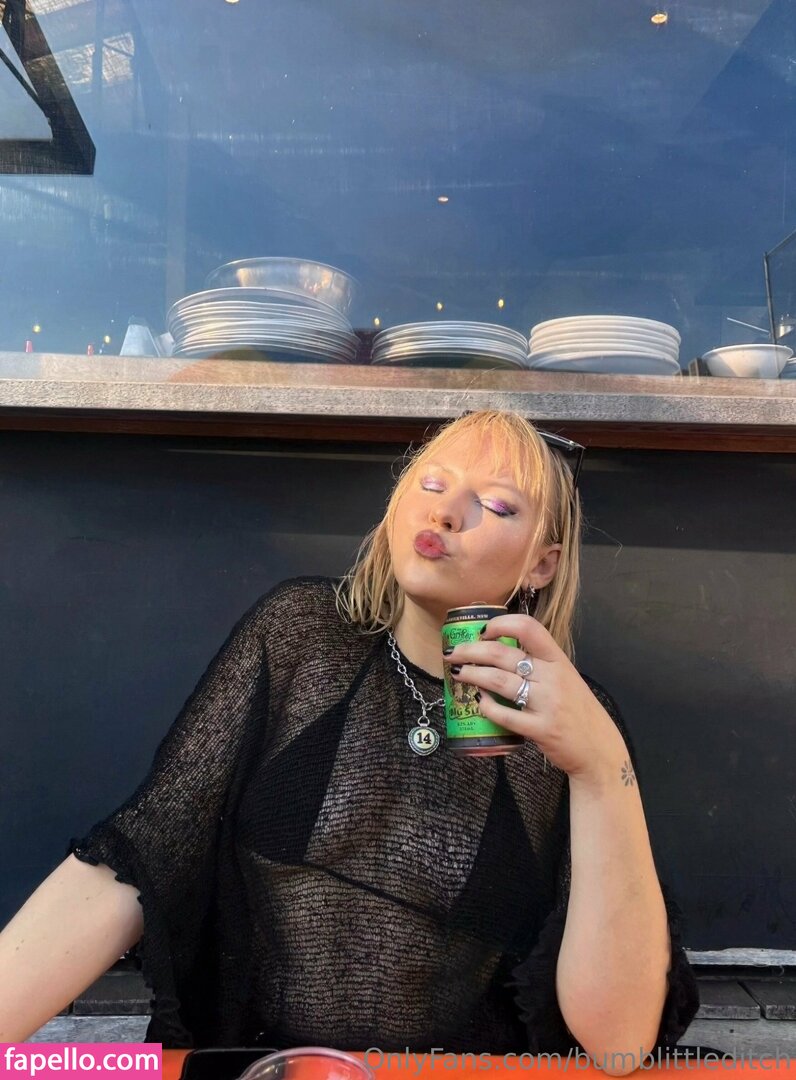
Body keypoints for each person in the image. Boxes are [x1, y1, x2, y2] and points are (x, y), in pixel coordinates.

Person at [0, 409, 699, 1069]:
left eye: (496, 504)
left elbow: (618, 1042)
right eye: (432, 484)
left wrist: (602, 766)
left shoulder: (576, 726)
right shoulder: (300, 638)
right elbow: (139, 858)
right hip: (263, 1071)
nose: (445, 512)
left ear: (541, 564)